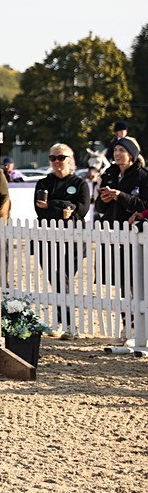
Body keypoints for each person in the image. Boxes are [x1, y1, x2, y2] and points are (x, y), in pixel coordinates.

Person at [33, 144, 91, 338]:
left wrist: (53, 204)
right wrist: (65, 206)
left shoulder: (80, 183)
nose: (57, 162)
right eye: (53, 158)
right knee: (55, 279)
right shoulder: (43, 183)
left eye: (61, 157)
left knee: (64, 278)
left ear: (70, 159)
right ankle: (62, 322)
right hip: (48, 237)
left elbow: (81, 210)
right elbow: (40, 209)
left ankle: (66, 323)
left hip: (73, 238)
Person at [94, 136, 147, 342]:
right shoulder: (109, 174)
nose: (117, 154)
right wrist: (104, 200)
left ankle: (141, 329)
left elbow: (144, 205)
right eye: (115, 151)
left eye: (121, 151)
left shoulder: (143, 176)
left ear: (132, 155)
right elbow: (98, 208)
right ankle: (128, 328)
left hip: (136, 236)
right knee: (122, 285)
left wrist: (120, 196)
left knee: (138, 284)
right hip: (113, 235)